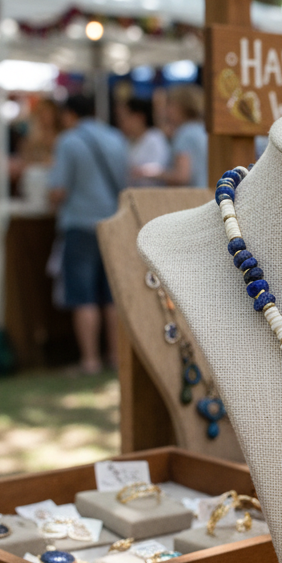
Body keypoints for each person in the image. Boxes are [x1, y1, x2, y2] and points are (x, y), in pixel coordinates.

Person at [48, 94, 128, 373]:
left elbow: (58, 190)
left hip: (80, 224)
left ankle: (90, 360)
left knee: (83, 295)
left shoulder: (68, 142)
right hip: (113, 224)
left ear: (69, 113)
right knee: (110, 295)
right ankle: (115, 356)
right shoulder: (116, 138)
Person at [116, 96, 170, 187]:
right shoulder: (126, 142)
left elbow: (159, 168)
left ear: (139, 117)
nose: (121, 122)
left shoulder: (155, 138)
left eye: (124, 117)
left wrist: (139, 171)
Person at [162, 85, 208, 187]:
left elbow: (182, 176)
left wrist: (153, 174)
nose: (166, 112)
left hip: (192, 198)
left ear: (181, 107)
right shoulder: (204, 129)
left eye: (170, 105)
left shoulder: (185, 134)